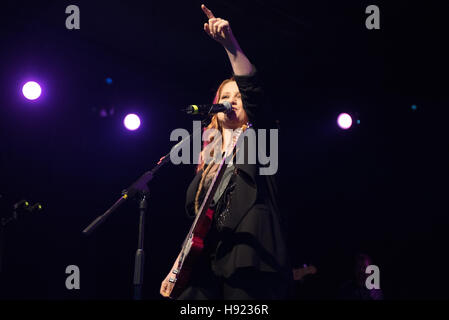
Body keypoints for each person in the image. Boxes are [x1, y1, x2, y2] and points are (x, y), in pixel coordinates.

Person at [160, 4, 291, 300]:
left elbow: (254, 93)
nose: (231, 101)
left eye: (238, 97)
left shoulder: (260, 142)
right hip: (207, 266)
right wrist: (178, 265)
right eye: (225, 96)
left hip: (250, 262)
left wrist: (230, 46)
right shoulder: (209, 160)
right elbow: (199, 222)